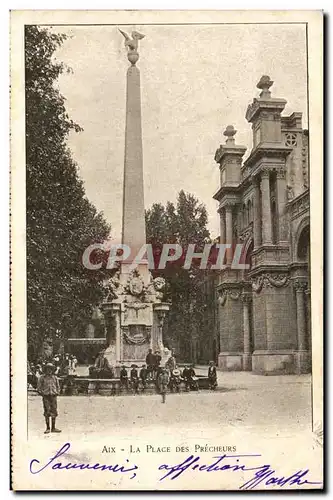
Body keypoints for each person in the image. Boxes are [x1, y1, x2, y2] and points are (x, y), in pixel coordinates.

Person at [37, 363, 61, 434]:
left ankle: (53, 428)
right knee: (47, 411)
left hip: (53, 396)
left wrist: (57, 392)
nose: (49, 371)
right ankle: (48, 428)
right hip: (46, 396)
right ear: (45, 370)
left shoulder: (55, 378)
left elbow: (58, 386)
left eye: (51, 369)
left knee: (54, 411)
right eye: (48, 369)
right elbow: (39, 388)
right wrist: (42, 393)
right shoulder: (42, 378)